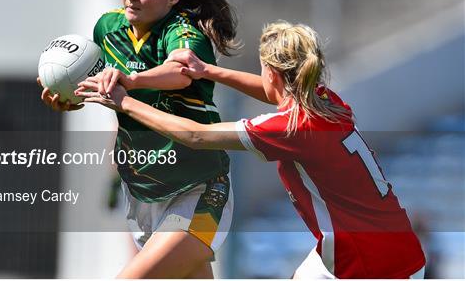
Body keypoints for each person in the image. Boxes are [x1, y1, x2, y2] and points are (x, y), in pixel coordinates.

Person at [77, 21, 427, 279]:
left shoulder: (290, 128)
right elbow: (273, 92)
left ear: (272, 73)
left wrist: (125, 102)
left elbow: (196, 136)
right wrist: (208, 71)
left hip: (372, 266)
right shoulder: (325, 102)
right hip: (386, 250)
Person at [40, 0, 237, 278]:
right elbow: (101, 88)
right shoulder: (107, 29)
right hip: (143, 195)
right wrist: (70, 99)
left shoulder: (185, 34)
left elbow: (180, 72)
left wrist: (132, 80)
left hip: (199, 192)